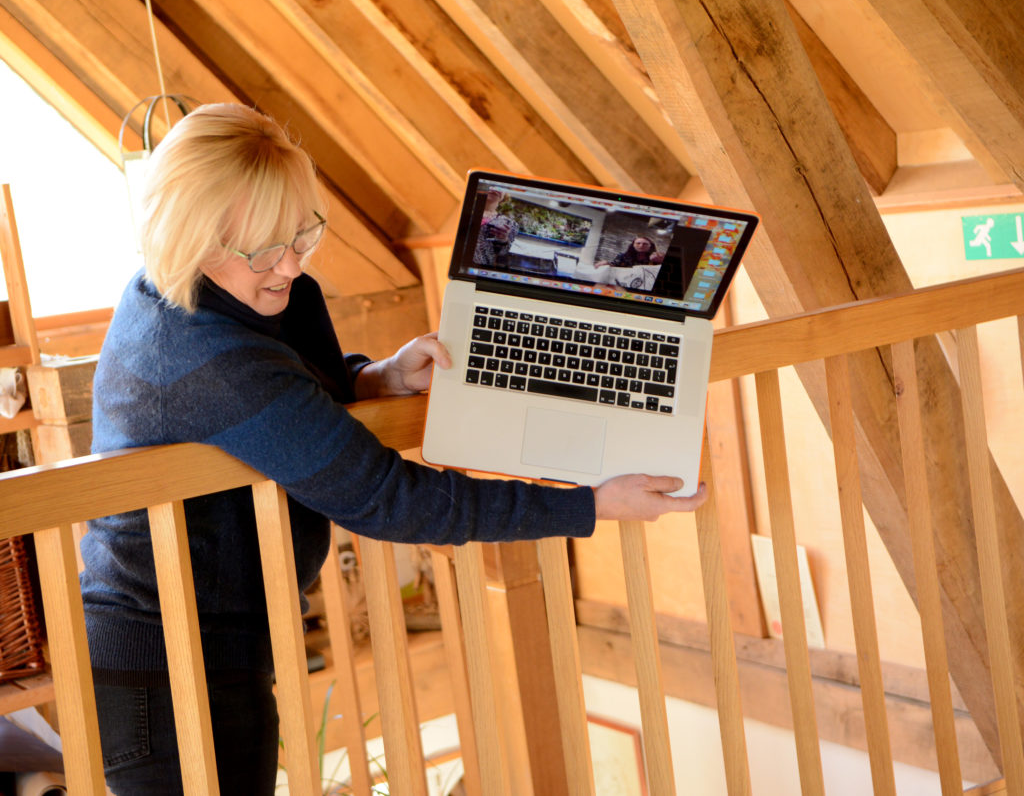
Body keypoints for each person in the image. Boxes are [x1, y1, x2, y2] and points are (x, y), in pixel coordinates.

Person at [80, 103, 707, 795]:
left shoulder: (203, 295)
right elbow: (390, 497)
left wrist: (370, 377)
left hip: (221, 644)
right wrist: (589, 505)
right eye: (263, 248)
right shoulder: (205, 357)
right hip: (165, 668)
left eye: (300, 235)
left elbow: (283, 396)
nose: (289, 264)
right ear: (190, 239)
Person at [471, 188, 519, 268]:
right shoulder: (462, 209)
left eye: (501, 187)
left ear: (504, 195)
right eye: (492, 184)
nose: (496, 188)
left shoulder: (509, 224)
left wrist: (504, 240)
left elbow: (504, 255)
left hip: (479, 270)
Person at [594, 234, 660, 268]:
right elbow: (614, 265)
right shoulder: (623, 256)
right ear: (633, 245)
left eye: (645, 244)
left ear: (650, 246)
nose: (641, 246)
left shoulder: (655, 259)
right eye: (638, 243)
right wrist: (606, 263)